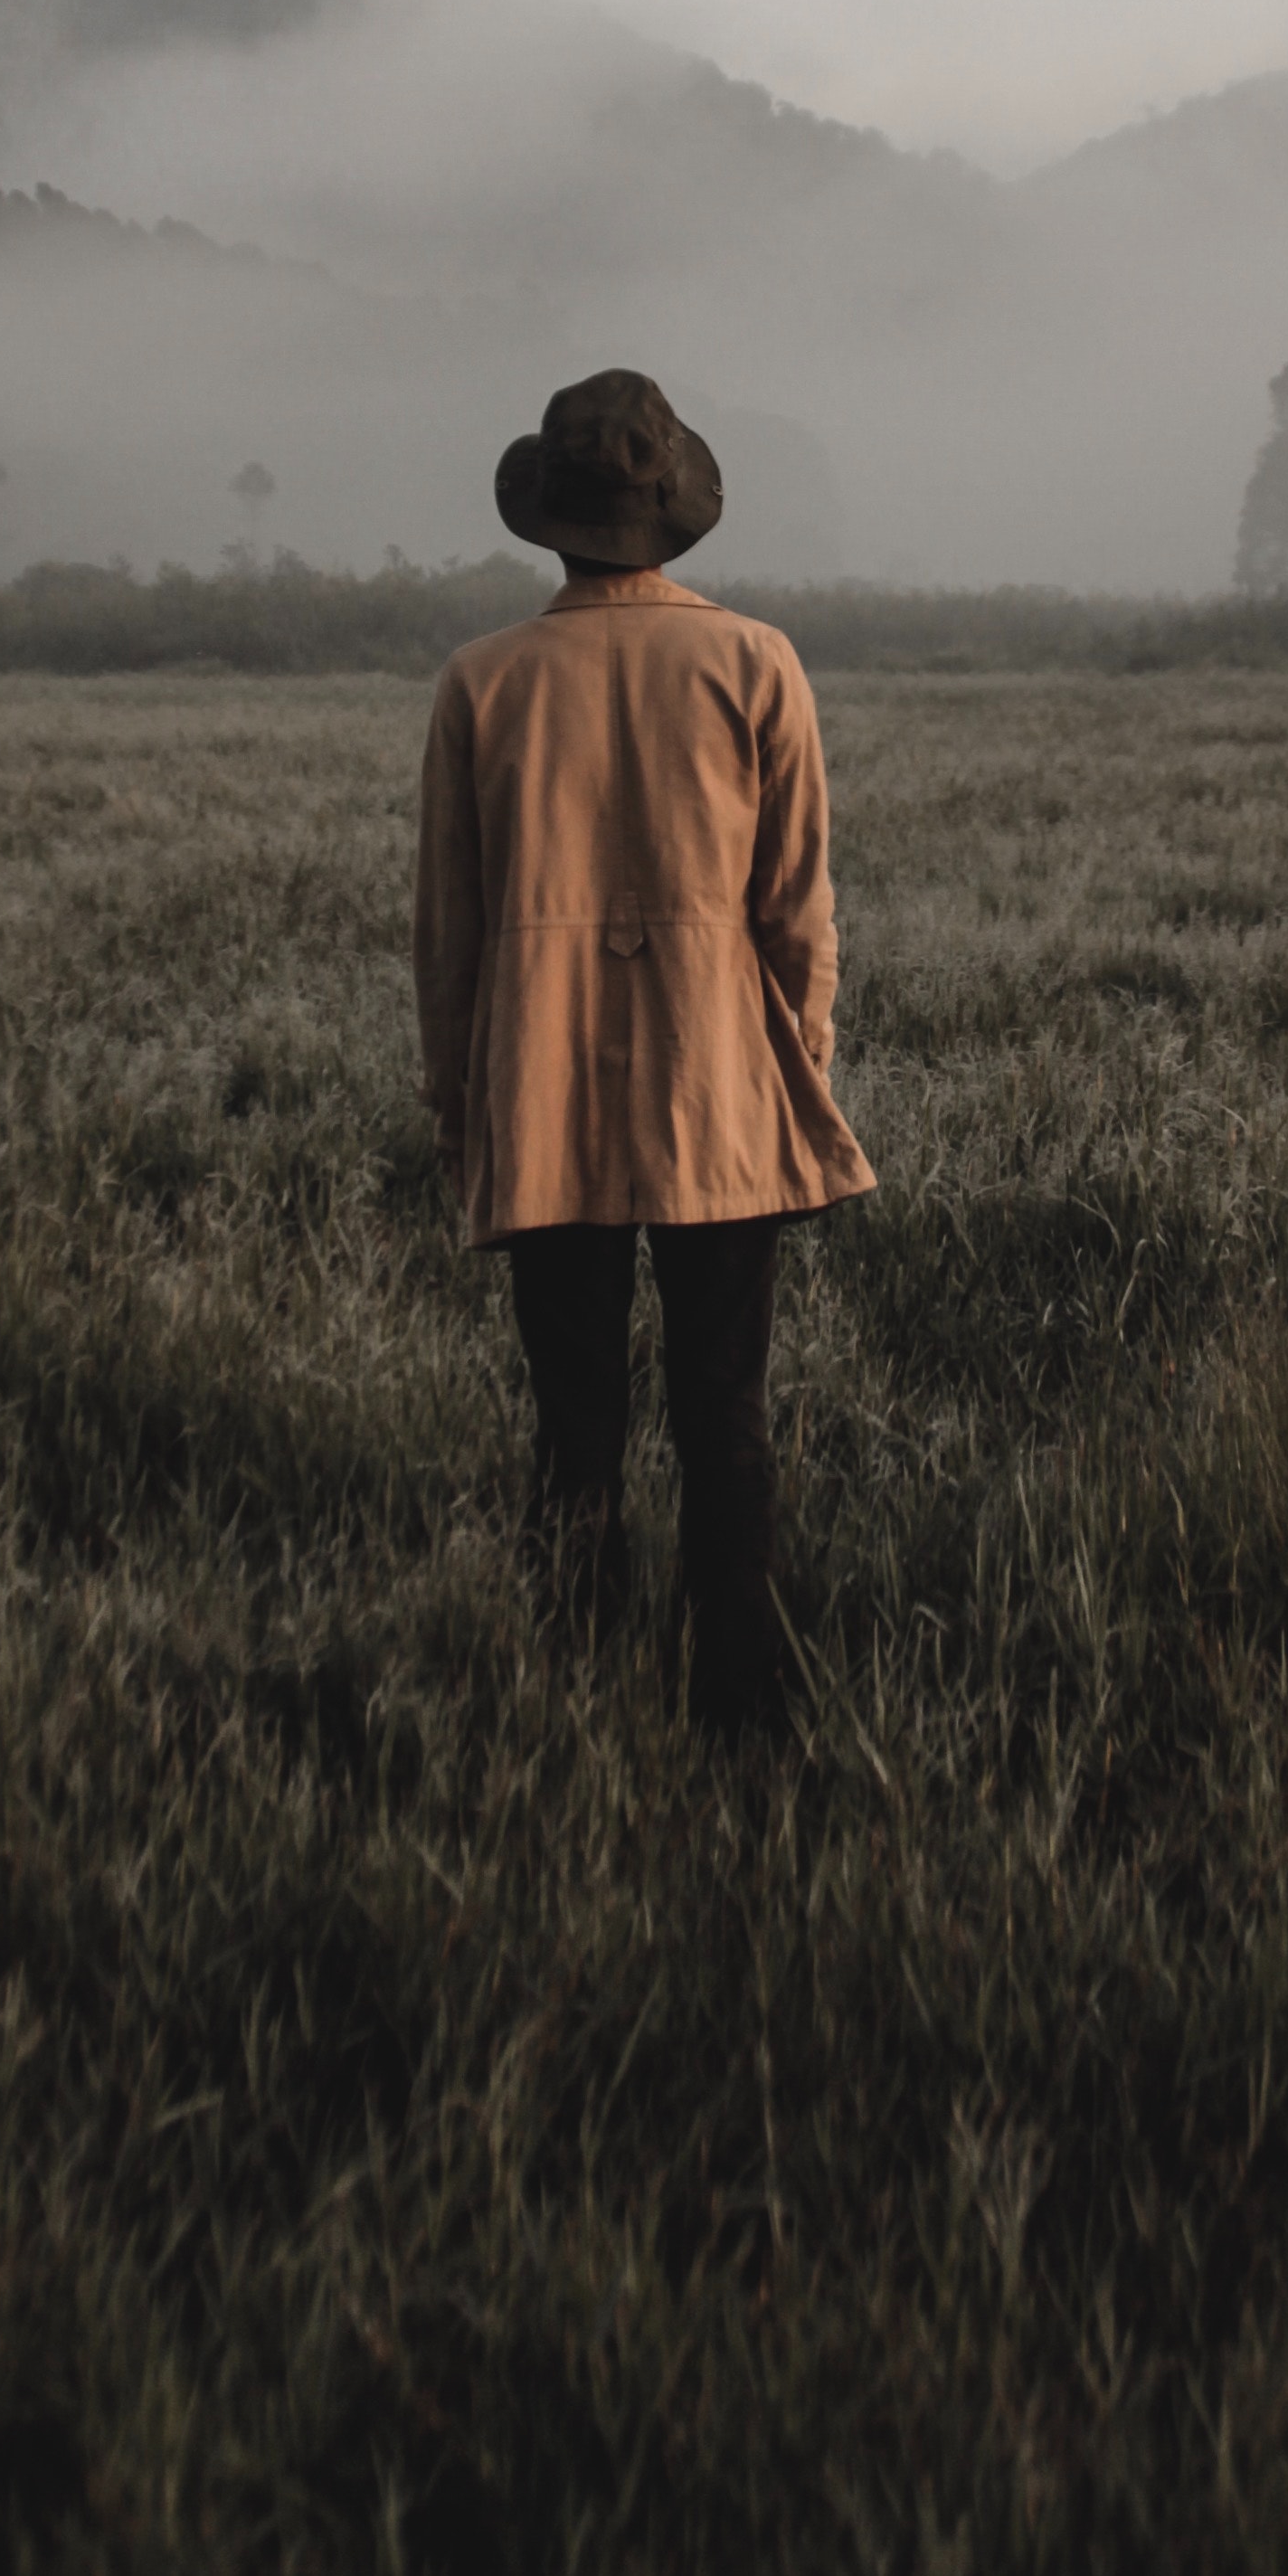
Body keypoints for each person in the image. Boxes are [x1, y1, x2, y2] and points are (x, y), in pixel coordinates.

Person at [412, 368, 875, 1732]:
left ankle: (573, 1692)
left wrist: (462, 1106)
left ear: (552, 518)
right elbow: (797, 910)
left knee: (573, 1425)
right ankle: (738, 1707)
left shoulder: (480, 681)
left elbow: (449, 934)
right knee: (724, 1411)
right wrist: (799, 1069)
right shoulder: (757, 662)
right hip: (719, 1085)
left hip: (538, 1092)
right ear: (668, 506)